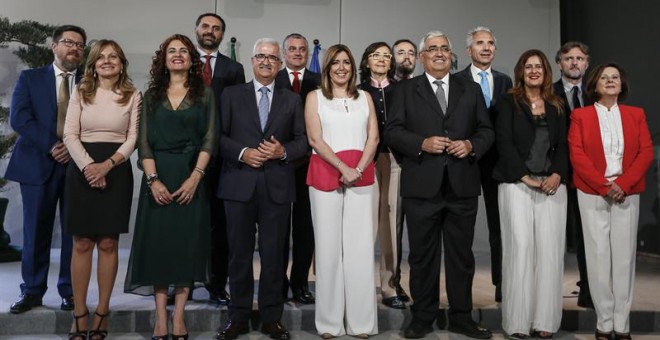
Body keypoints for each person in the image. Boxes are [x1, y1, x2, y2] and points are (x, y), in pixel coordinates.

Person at [385, 31, 493, 339]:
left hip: (462, 186)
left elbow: (487, 130)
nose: (440, 53)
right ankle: (423, 317)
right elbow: (392, 132)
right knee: (422, 257)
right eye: (433, 49)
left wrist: (471, 145)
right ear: (421, 57)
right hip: (422, 186)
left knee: (462, 257)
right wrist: (422, 143)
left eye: (445, 48)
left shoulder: (470, 89)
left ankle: (461, 317)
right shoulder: (405, 90)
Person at [124, 34, 217, 340]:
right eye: (171, 51)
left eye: (183, 51)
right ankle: (160, 317)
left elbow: (209, 139)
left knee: (187, 246)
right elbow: (144, 144)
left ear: (192, 59)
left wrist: (195, 177)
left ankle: (179, 316)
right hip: (158, 176)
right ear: (163, 59)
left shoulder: (206, 94)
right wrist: (153, 181)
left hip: (192, 176)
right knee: (159, 247)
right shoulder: (149, 96)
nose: (177, 55)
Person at [215, 38, 307, 340]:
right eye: (260, 56)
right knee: (239, 255)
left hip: (277, 188)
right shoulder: (230, 95)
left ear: (280, 64)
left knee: (274, 256)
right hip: (239, 184)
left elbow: (302, 142)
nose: (266, 62)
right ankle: (238, 317)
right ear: (252, 61)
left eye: (272, 58)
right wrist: (243, 152)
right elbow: (219, 137)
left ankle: (271, 318)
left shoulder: (292, 100)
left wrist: (282, 152)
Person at [62, 39, 141, 340]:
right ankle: (79, 313)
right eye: (101, 57)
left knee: (108, 243)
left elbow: (133, 138)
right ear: (93, 64)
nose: (107, 61)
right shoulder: (80, 92)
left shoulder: (134, 95)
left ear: (121, 63)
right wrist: (89, 168)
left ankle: (103, 313)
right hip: (81, 170)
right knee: (82, 243)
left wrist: (106, 166)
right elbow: (70, 134)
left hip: (116, 170)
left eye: (113, 57)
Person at [5, 24, 86, 314]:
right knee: (35, 231)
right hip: (38, 164)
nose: (74, 48)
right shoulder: (30, 78)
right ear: (54, 46)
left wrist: (74, 149)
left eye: (79, 44)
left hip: (77, 168)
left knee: (72, 233)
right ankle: (32, 291)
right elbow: (20, 118)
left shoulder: (90, 82)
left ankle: (69, 291)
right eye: (68, 42)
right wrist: (52, 145)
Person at [568, 63, 653, 340]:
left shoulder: (635, 114)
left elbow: (645, 152)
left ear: (622, 83)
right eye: (605, 77)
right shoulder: (581, 115)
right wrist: (604, 186)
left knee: (624, 259)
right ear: (595, 84)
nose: (610, 81)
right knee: (598, 257)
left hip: (626, 193)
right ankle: (604, 322)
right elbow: (577, 154)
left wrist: (622, 185)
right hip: (593, 193)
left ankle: (622, 323)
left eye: (615, 77)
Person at [493, 49, 568, 339]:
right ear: (520, 71)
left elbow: (564, 145)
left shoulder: (558, 104)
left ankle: (545, 321)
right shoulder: (508, 101)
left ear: (546, 71)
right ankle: (517, 322)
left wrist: (557, 175)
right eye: (528, 66)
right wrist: (525, 177)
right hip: (516, 184)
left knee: (549, 252)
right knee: (520, 249)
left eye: (538, 66)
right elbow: (504, 142)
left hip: (552, 185)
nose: (533, 71)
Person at [306, 43, 379, 338]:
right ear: (327, 67)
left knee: (360, 250)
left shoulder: (366, 98)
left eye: (346, 62)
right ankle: (329, 323)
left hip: (361, 174)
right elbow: (315, 138)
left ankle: (361, 323)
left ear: (353, 67)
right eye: (335, 62)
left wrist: (357, 169)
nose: (341, 68)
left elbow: (373, 137)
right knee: (328, 250)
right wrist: (342, 168)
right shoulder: (315, 97)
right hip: (326, 173)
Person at [454, 26, 513, 303]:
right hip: (465, 160)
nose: (486, 47)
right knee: (460, 229)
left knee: (499, 228)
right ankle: (460, 289)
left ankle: (502, 285)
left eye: (490, 43)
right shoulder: (457, 80)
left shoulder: (505, 81)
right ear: (469, 50)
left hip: (497, 164)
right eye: (480, 43)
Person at [195, 11, 246, 306]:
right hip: (186, 153)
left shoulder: (233, 68)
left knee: (219, 223)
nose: (210, 31)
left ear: (222, 35)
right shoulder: (181, 58)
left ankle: (216, 283)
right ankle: (183, 280)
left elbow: (237, 113)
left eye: (216, 28)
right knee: (187, 222)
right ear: (196, 30)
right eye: (205, 26)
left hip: (221, 157)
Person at [357, 42, 407, 310]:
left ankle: (389, 285)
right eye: (376, 55)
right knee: (364, 225)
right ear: (366, 61)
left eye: (387, 56)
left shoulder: (402, 91)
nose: (382, 59)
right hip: (363, 161)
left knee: (390, 223)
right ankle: (360, 284)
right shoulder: (356, 92)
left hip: (393, 160)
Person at [274, 32, 320, 305]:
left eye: (302, 49)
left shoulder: (318, 82)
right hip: (278, 163)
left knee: (305, 228)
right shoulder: (272, 78)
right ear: (284, 52)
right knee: (278, 228)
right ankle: (277, 282)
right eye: (292, 49)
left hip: (310, 165)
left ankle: (300, 283)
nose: (298, 53)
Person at [553, 41, 594, 309]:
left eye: (579, 58)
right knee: (554, 235)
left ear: (587, 63)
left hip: (588, 176)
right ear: (560, 63)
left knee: (586, 236)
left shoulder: (595, 94)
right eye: (569, 59)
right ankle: (548, 292)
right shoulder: (548, 93)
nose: (574, 63)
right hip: (556, 173)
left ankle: (589, 289)